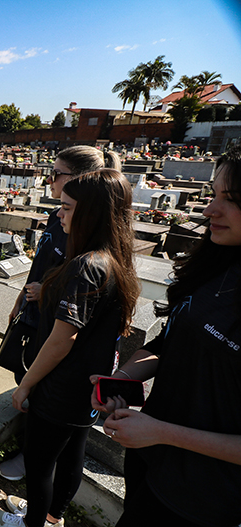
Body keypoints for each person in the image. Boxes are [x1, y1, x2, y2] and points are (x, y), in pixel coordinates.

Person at [93, 146, 241, 527]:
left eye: (231, 199)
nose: (210, 210)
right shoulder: (215, 264)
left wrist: (160, 432)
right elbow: (168, 344)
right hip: (151, 459)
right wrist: (122, 379)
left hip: (200, 496)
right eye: (214, 195)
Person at [0, 169, 140, 527]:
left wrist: (26, 384)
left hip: (60, 388)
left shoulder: (85, 267)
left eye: (67, 207)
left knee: (40, 463)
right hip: (86, 388)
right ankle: (52, 517)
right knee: (73, 453)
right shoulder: (114, 260)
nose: (59, 214)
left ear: (91, 213)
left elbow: (61, 341)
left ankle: (33, 523)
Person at [0, 146, 121, 481]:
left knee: (38, 388)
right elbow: (43, 264)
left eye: (56, 174)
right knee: (27, 376)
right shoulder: (59, 218)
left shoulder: (85, 235)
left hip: (56, 322)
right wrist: (23, 297)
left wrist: (47, 291)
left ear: (80, 179)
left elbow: (75, 283)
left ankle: (33, 457)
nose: (49, 180)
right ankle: (33, 449)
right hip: (37, 313)